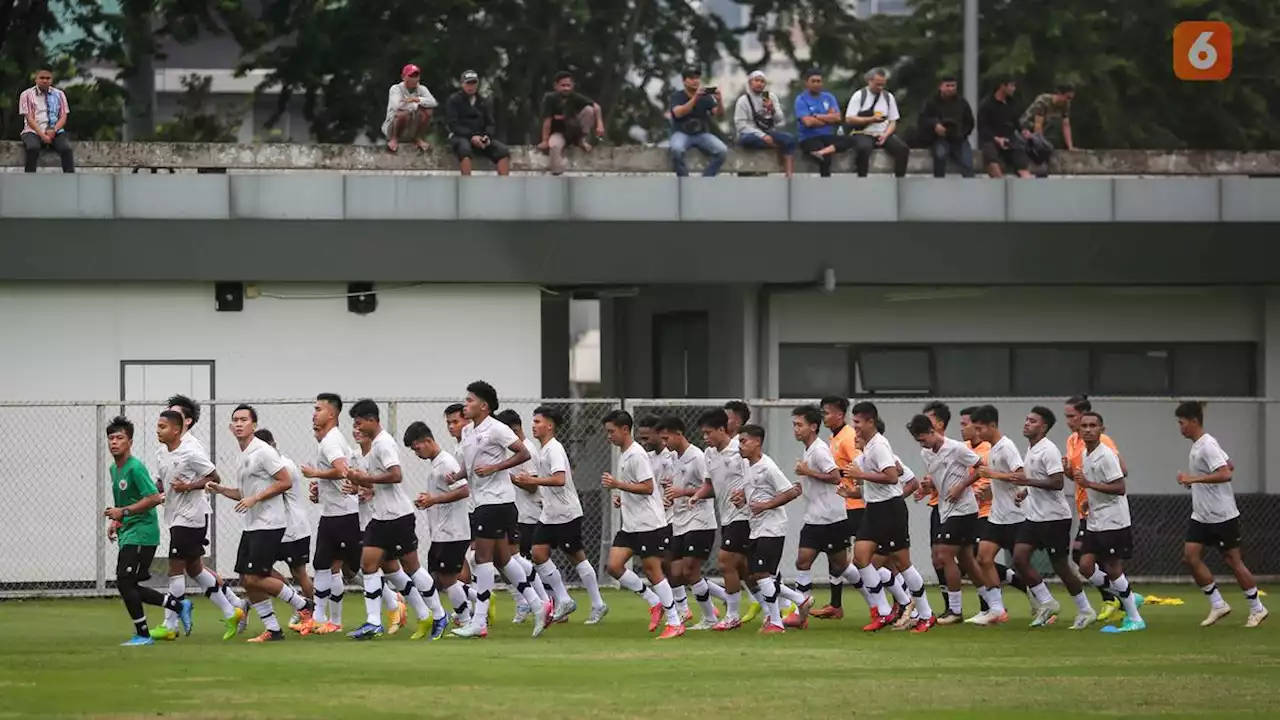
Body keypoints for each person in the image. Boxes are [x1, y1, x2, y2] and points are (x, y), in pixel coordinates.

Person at [205, 405, 315, 643]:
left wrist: (256, 498)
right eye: (235, 420)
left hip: (270, 523)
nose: (239, 424)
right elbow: (244, 493)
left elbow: (284, 481)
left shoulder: (263, 451)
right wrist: (221, 489)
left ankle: (302, 604)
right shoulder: (242, 455)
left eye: (244, 419)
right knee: (246, 579)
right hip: (253, 524)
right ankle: (273, 630)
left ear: (254, 425)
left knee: (256, 577)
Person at [343, 399, 450, 641]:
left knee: (412, 568)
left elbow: (396, 475)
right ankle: (373, 622)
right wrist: (359, 483)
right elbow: (376, 484)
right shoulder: (371, 448)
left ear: (372, 420)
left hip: (398, 517)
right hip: (380, 517)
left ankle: (439, 614)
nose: (357, 428)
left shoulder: (384, 444)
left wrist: (364, 476)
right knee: (368, 565)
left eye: (360, 423)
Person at [449, 382, 547, 639]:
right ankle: (539, 606)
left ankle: (478, 622)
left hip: (496, 503)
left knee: (482, 559)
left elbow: (523, 453)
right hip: (482, 502)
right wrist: (457, 475)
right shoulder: (469, 430)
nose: (465, 404)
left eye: (469, 400)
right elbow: (473, 467)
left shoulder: (497, 428)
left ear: (484, 406)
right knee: (503, 560)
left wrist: (496, 468)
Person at [151, 399, 245, 641]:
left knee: (175, 567)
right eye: (159, 423)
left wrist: (188, 487)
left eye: (166, 423)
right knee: (194, 567)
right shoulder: (162, 452)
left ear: (182, 425)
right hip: (174, 515)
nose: (160, 428)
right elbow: (161, 480)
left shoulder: (192, 449)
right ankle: (232, 608)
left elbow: (213, 476)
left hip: (191, 516)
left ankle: (170, 624)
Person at [842, 402, 935, 632]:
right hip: (874, 510)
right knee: (860, 558)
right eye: (853, 422)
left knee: (902, 563)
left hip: (890, 510)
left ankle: (926, 613)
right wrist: (854, 488)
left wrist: (860, 475)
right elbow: (881, 480)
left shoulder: (880, 445)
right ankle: (883, 612)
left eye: (858, 422)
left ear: (870, 422)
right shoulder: (866, 452)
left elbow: (893, 477)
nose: (855, 428)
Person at [1176, 401, 1268, 628]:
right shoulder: (1199, 445)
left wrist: (1194, 479)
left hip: (1222, 515)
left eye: (1182, 423)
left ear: (1194, 421)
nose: (1180, 428)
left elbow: (1226, 473)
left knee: (1233, 561)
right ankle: (1218, 604)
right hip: (1201, 515)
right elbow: (1229, 464)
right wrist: (1198, 483)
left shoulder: (1208, 444)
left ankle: (1257, 608)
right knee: (1190, 557)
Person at [514, 405, 609, 624]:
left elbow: (559, 479)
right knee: (538, 553)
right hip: (549, 513)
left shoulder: (554, 449)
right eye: (533, 421)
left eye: (538, 422)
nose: (533, 426)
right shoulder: (543, 450)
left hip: (566, 513)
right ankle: (564, 599)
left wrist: (533, 480)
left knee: (576, 556)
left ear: (550, 425)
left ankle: (598, 603)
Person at [103, 415, 187, 646]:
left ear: (129, 441)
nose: (114, 442)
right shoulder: (114, 469)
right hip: (129, 531)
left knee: (125, 583)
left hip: (143, 532)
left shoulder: (135, 467)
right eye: (111, 438)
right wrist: (117, 520)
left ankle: (143, 634)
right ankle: (176, 605)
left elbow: (153, 498)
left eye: (119, 438)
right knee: (128, 584)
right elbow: (126, 501)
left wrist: (124, 513)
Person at [601, 409, 683, 639]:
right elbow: (635, 487)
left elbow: (648, 487)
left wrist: (618, 484)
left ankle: (675, 621)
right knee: (614, 566)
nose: (609, 436)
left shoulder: (637, 454)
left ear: (625, 430)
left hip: (649, 523)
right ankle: (653, 600)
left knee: (653, 571)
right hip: (631, 524)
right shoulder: (625, 453)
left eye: (611, 431)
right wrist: (622, 495)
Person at [1011, 406, 1095, 629]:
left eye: (1033, 421)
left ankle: (1086, 610)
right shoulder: (1031, 449)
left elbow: (1057, 482)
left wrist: (1027, 483)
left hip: (1055, 519)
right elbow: (1036, 479)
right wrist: (1024, 492)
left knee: (1061, 567)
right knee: (1019, 557)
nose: (1027, 423)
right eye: (1027, 419)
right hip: (1034, 517)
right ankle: (1048, 602)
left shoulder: (1048, 450)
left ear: (1044, 427)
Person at [1074, 412, 1146, 633]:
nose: (1087, 429)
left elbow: (1119, 487)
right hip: (1096, 519)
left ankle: (1134, 618)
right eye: (1084, 426)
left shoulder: (1106, 455)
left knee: (1113, 567)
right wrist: (1089, 502)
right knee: (1085, 566)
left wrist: (1088, 484)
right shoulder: (1086, 453)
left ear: (1101, 429)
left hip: (1113, 520)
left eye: (1092, 425)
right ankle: (1128, 596)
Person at [908, 413, 983, 627]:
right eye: (918, 440)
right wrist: (926, 488)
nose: (922, 444)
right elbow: (938, 478)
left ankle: (955, 610)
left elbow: (981, 467)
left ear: (933, 431)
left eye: (923, 438)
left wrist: (961, 486)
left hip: (964, 509)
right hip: (945, 509)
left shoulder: (956, 448)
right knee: (967, 559)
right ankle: (992, 604)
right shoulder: (927, 453)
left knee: (944, 555)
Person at [692, 409, 762, 631]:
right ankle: (783, 605)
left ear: (722, 430)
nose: (705, 438)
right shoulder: (709, 454)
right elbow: (710, 485)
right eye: (703, 434)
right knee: (747, 569)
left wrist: (744, 493)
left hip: (743, 516)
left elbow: (757, 477)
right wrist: (695, 495)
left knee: (725, 561)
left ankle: (732, 615)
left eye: (708, 433)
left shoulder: (739, 451)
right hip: (726, 517)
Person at [403, 421, 474, 633]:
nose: (416, 453)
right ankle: (478, 600)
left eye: (417, 448)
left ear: (427, 441)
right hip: (441, 532)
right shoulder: (436, 464)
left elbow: (464, 490)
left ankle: (466, 619)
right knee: (438, 577)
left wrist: (434, 500)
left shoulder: (446, 463)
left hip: (453, 531)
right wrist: (428, 500)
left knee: (447, 578)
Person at [734, 424, 802, 634]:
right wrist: (742, 498)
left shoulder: (768, 467)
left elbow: (791, 492)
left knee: (762, 574)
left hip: (772, 527)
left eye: (743, 441)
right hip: (757, 527)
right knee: (759, 574)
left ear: (757, 442)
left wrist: (766, 505)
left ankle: (775, 622)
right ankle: (801, 599)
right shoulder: (747, 466)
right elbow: (755, 491)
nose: (740, 446)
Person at [657, 416, 723, 630]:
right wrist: (671, 491)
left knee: (689, 571)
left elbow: (712, 489)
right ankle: (720, 598)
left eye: (667, 437)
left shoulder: (697, 457)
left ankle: (709, 617)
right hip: (680, 521)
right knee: (676, 572)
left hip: (700, 521)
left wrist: (683, 492)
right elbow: (680, 486)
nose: (664, 443)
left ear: (679, 434)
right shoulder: (675, 457)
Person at [786, 405, 848, 630]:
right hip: (815, 518)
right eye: (794, 425)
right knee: (803, 561)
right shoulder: (809, 449)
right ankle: (800, 614)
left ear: (813, 427)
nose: (796, 429)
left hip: (831, 518)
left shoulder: (820, 449)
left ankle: (880, 600)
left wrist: (807, 473)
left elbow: (835, 477)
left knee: (843, 566)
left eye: (800, 425)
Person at [300, 393, 357, 634]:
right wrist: (320, 490)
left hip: (344, 514)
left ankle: (393, 598)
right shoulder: (329, 440)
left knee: (360, 567)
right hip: (332, 512)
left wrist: (315, 474)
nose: (314, 413)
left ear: (331, 414)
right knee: (325, 565)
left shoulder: (331, 441)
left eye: (318, 409)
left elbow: (342, 470)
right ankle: (323, 618)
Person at [1063, 394, 1124, 619]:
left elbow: (1121, 471)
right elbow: (1078, 476)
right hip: (1085, 507)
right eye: (1066, 417)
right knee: (1086, 559)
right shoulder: (1072, 440)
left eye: (1072, 416)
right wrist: (1069, 471)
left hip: (1104, 511)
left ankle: (1117, 598)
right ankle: (1118, 598)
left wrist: (1091, 484)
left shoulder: (1103, 442)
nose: (1069, 421)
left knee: (1087, 558)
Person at [255, 429, 317, 635]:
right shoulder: (271, 467)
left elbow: (265, 493)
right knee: (259, 570)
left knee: (299, 573)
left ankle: (311, 612)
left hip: (293, 528)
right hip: (277, 528)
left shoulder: (283, 468)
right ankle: (298, 601)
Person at [494, 409, 552, 624]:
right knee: (508, 561)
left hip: (527, 514)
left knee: (516, 561)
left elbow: (531, 486)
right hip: (517, 512)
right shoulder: (516, 451)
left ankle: (543, 602)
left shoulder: (526, 450)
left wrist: (504, 475)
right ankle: (530, 602)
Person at [811, 396, 864, 620]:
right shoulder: (835, 437)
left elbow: (861, 464)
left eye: (827, 412)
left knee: (866, 559)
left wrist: (853, 486)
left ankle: (895, 600)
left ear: (839, 415)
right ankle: (835, 605)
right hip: (843, 504)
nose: (824, 416)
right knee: (836, 555)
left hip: (855, 505)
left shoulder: (848, 437)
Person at [970, 405, 1025, 625]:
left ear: (992, 425)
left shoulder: (1007, 447)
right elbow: (1002, 482)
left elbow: (1020, 476)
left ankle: (1043, 602)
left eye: (979, 428)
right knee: (983, 558)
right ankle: (996, 609)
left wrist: (992, 474)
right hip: (997, 515)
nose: (977, 433)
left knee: (1024, 564)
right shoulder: (992, 448)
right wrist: (988, 490)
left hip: (1016, 516)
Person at [844, 68, 910, 178]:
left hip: (883, 133)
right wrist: (871, 120)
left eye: (882, 85)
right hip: (864, 132)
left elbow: (893, 121)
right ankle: (862, 177)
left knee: (902, 149)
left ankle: (899, 178)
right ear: (869, 81)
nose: (880, 88)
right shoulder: (859, 95)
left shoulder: (888, 97)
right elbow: (849, 119)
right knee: (863, 149)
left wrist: (885, 135)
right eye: (877, 84)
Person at [538, 70, 605, 175]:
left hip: (574, 131)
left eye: (568, 85)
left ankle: (582, 139)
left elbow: (596, 107)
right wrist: (545, 140)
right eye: (563, 85)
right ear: (556, 86)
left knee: (589, 110)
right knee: (554, 146)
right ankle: (557, 172)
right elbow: (547, 121)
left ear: (572, 86)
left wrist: (600, 125)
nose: (566, 88)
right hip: (558, 132)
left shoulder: (575, 97)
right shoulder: (550, 98)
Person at [445, 70, 511, 177]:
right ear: (462, 84)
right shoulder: (454, 100)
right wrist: (471, 136)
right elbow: (453, 124)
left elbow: (490, 123)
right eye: (468, 83)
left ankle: (504, 184)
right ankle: (467, 184)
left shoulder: (483, 101)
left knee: (503, 151)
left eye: (473, 83)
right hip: (461, 136)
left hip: (480, 137)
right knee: (464, 149)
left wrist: (487, 136)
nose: (471, 86)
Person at [734, 70, 796, 177]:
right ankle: (775, 147)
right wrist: (762, 136)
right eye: (756, 80)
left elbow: (780, 120)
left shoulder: (771, 97)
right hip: (752, 134)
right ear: (750, 83)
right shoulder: (743, 100)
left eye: (762, 81)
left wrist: (772, 110)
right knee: (747, 140)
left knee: (789, 139)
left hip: (769, 132)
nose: (759, 83)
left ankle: (789, 172)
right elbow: (741, 125)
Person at [668, 67, 727, 177]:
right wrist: (696, 98)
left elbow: (720, 116)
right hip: (681, 133)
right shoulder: (677, 96)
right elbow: (678, 113)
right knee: (676, 150)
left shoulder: (706, 97)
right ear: (684, 81)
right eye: (691, 78)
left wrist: (719, 101)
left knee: (722, 151)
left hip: (701, 134)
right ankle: (684, 180)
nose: (695, 81)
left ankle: (705, 179)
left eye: (697, 78)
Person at [18, 66, 74, 173]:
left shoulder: (59, 94)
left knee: (66, 149)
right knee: (32, 148)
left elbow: (63, 116)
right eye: (42, 78)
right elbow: (29, 118)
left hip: (55, 130)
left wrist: (54, 130)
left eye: (48, 78)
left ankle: (70, 179)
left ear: (52, 80)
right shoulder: (26, 95)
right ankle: (29, 178)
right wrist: (42, 135)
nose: (44, 81)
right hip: (33, 130)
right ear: (36, 79)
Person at [793, 68, 848, 177]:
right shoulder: (801, 99)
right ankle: (823, 186)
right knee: (825, 160)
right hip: (808, 137)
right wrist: (829, 119)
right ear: (807, 83)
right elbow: (808, 122)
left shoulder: (829, 97)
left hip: (827, 135)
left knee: (851, 140)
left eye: (819, 81)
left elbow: (838, 118)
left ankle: (823, 151)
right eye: (813, 81)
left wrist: (818, 116)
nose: (816, 84)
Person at [917, 75, 975, 178]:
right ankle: (939, 184)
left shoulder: (962, 103)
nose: (950, 89)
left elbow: (969, 122)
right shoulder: (931, 102)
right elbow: (923, 120)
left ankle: (970, 188)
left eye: (953, 86)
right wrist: (935, 125)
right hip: (939, 138)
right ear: (940, 87)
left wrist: (961, 133)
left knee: (967, 163)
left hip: (959, 139)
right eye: (947, 86)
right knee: (940, 156)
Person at [976, 75, 1031, 178]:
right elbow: (982, 127)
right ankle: (998, 183)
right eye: (1012, 86)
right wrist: (996, 138)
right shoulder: (987, 104)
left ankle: (1026, 185)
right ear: (1003, 86)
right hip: (991, 139)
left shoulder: (1011, 103)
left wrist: (1023, 130)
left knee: (1020, 155)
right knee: (991, 157)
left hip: (1009, 138)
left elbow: (1016, 121)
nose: (1014, 89)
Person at [382, 63, 437, 153]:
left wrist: (417, 99)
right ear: (403, 77)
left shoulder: (422, 89)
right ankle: (394, 139)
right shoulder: (396, 89)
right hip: (392, 126)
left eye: (416, 76)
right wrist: (415, 105)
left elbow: (433, 102)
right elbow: (397, 106)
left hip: (412, 125)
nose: (414, 79)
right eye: (411, 76)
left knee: (428, 111)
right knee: (403, 113)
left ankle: (417, 137)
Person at [1020, 83, 1076, 169]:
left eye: (1070, 98)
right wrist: (1040, 144)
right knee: (1044, 147)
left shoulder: (1065, 104)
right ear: (1059, 94)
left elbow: (1066, 125)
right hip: (1027, 126)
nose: (1068, 101)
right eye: (1067, 97)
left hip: (1041, 128)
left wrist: (1070, 147)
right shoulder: (1043, 101)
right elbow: (1038, 124)